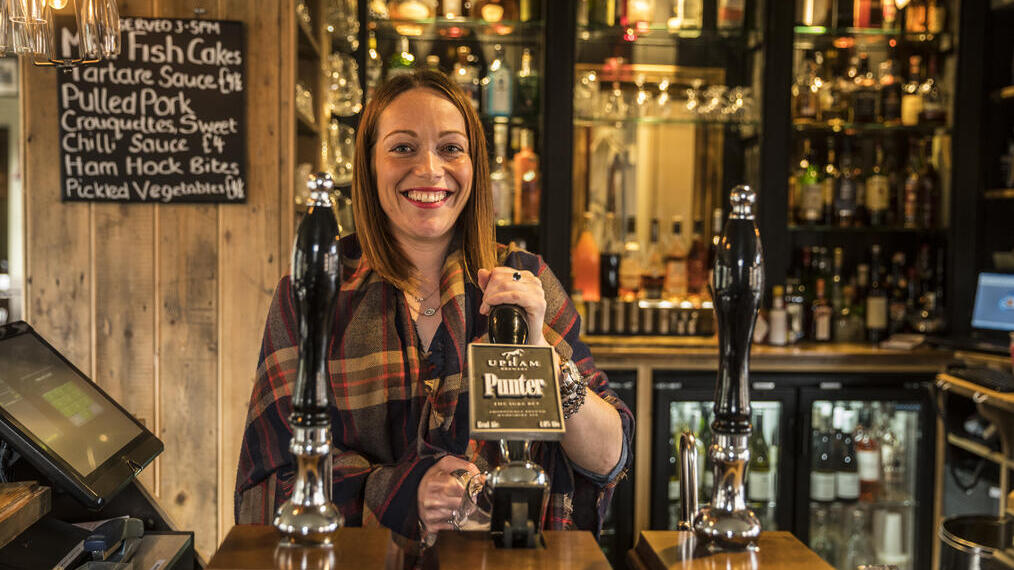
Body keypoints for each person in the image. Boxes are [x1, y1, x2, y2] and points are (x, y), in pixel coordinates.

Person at [235, 70, 632, 554]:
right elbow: (269, 481)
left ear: (474, 164)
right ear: (369, 165)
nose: (429, 169)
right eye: (403, 147)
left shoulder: (524, 278)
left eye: (450, 148)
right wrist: (403, 493)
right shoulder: (315, 292)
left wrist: (544, 360)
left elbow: (609, 458)